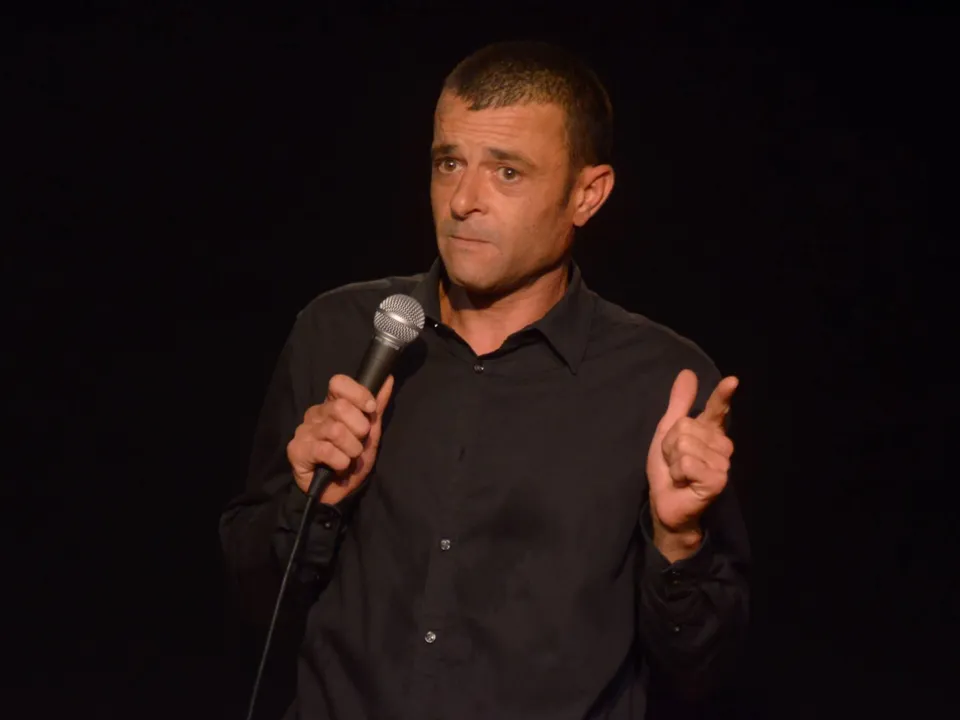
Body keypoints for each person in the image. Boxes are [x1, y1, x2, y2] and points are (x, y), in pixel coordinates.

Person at [219, 40, 750, 720]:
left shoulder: (661, 383)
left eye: (507, 172)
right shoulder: (340, 332)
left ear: (587, 195)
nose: (463, 200)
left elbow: (703, 669)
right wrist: (311, 502)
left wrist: (679, 543)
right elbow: (252, 602)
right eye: (449, 163)